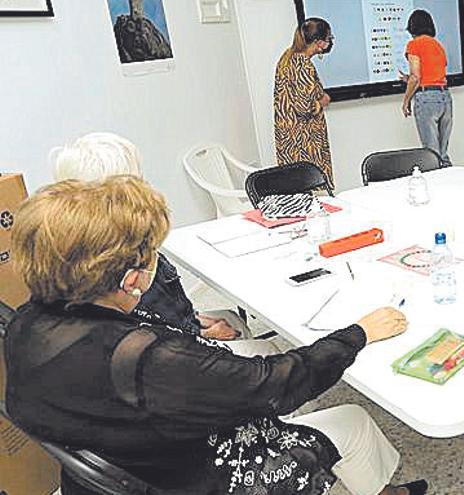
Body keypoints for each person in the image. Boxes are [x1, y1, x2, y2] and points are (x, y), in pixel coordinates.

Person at [6, 177, 427, 495]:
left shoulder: (25, 325)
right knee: (351, 420)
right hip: (193, 477)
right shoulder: (150, 363)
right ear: (132, 278)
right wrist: (358, 333)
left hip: (124, 463)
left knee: (269, 357)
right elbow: (278, 383)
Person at [51, 132, 262, 351]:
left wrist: (192, 320)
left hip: (171, 335)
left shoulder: (75, 248)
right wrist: (201, 334)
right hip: (167, 358)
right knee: (268, 353)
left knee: (233, 321)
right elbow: (153, 339)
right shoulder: (121, 267)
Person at [275, 17, 335, 188]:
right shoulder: (303, 65)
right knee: (312, 189)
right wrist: (323, 100)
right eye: (328, 38)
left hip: (289, 137)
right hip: (305, 141)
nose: (330, 42)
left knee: (295, 187)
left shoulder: (287, 57)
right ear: (318, 42)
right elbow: (304, 107)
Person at [401, 9, 453, 168]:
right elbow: (434, 73)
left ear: (412, 27)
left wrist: (406, 101)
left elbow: (415, 77)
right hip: (445, 98)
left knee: (431, 155)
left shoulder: (414, 44)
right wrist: (408, 80)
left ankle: (436, 188)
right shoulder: (438, 46)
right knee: (442, 154)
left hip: (427, 99)